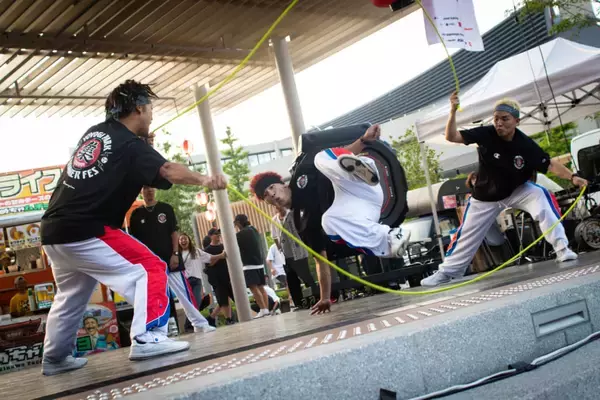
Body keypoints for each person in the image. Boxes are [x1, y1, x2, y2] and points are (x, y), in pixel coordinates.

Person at [39, 79, 227, 376]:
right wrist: (204, 179)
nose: (151, 115)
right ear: (139, 108)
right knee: (151, 267)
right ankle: (147, 336)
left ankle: (55, 357)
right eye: (150, 108)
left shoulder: (96, 133)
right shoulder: (130, 145)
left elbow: (122, 166)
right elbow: (166, 170)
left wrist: (145, 148)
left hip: (53, 232)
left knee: (71, 295)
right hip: (86, 228)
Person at [421, 94, 587, 287]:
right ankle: (446, 272)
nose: (499, 123)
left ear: (516, 121)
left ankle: (563, 249)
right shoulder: (486, 134)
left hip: (517, 190)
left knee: (540, 196)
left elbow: (549, 164)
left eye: (505, 119)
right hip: (485, 196)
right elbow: (452, 136)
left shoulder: (525, 144)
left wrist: (573, 177)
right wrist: (452, 111)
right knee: (467, 234)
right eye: (496, 118)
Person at [250, 124, 411, 314]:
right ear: (269, 203)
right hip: (364, 209)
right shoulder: (303, 223)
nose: (271, 194)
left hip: (364, 186)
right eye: (266, 195)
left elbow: (331, 156)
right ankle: (391, 238)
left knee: (320, 157)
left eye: (271, 188)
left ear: (282, 184)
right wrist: (325, 297)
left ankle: (360, 168)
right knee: (329, 221)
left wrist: (363, 141)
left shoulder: (302, 173)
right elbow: (321, 261)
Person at [130, 187, 216, 335]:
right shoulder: (136, 214)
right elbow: (135, 242)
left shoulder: (166, 208)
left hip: (170, 259)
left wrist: (175, 253)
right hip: (150, 264)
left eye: (151, 188)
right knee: (155, 297)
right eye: (145, 188)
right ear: (141, 192)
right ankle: (159, 331)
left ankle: (199, 323)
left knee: (184, 294)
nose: (149, 191)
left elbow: (174, 233)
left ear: (155, 190)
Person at [270, 206, 316, 310]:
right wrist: (279, 249)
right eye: (276, 207)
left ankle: (315, 297)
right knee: (291, 279)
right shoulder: (274, 220)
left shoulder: (293, 214)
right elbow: (274, 236)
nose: (278, 208)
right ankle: (298, 302)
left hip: (298, 252)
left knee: (306, 276)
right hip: (285, 254)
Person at [178, 233, 225, 330]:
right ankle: (189, 325)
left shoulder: (196, 251)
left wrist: (220, 255)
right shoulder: (177, 254)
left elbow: (209, 257)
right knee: (189, 304)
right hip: (185, 281)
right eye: (181, 239)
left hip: (197, 280)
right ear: (178, 242)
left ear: (189, 240)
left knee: (196, 302)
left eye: (185, 238)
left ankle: (189, 325)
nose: (183, 241)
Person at [234, 214, 271, 318]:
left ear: (238, 223)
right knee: (261, 287)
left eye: (236, 224)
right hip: (259, 263)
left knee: (253, 287)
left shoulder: (240, 234)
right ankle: (266, 309)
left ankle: (263, 309)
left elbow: (232, 244)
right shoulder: (254, 230)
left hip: (249, 264)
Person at [203, 228, 235, 326]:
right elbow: (209, 264)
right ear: (210, 236)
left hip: (228, 275)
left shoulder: (224, 246)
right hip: (217, 278)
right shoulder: (207, 250)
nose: (218, 235)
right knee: (223, 300)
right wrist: (220, 256)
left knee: (231, 297)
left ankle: (212, 317)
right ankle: (228, 319)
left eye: (219, 234)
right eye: (215, 234)